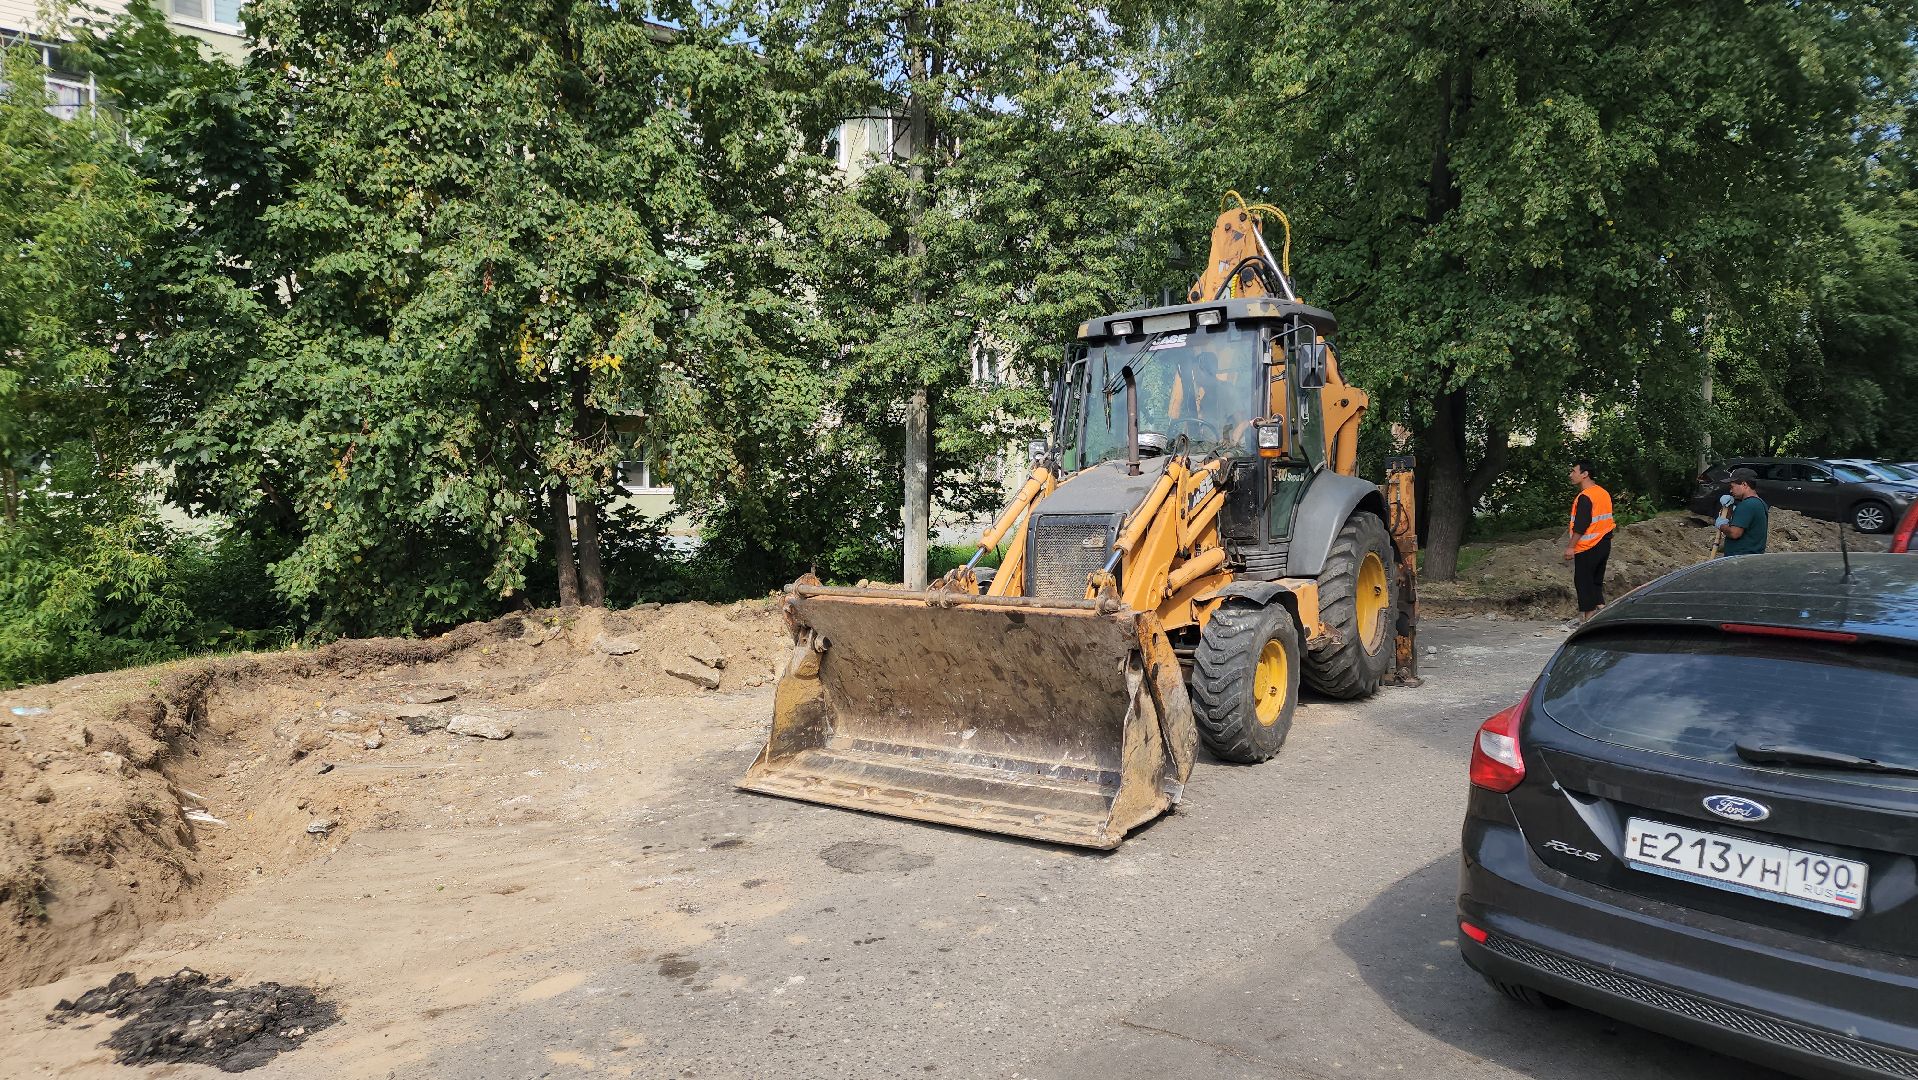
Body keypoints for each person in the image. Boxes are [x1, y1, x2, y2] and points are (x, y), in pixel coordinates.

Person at [1561, 459, 1615, 624]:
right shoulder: (1603, 493)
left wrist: (1571, 547)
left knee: (1583, 581)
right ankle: (1600, 612)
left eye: (1573, 471)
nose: (1571, 475)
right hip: (1604, 543)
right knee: (1596, 580)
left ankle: (1589, 619)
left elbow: (1581, 525)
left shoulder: (1585, 497)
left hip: (1588, 545)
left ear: (1585, 474)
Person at [1717, 467, 1769, 555]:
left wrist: (1721, 525)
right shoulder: (1759, 502)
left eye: (1732, 487)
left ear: (1744, 485)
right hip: (1751, 558)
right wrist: (1729, 507)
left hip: (1740, 559)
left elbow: (1734, 533)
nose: (1730, 490)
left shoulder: (1747, 505)